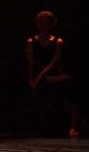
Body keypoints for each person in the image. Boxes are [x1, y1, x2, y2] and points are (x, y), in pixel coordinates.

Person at [25, 10, 81, 138]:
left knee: (66, 85)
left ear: (51, 24)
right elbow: (30, 62)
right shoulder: (31, 41)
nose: (42, 25)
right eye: (40, 22)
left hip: (51, 73)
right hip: (38, 74)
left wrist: (40, 77)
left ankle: (73, 125)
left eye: (46, 23)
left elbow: (54, 63)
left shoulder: (58, 41)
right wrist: (31, 79)